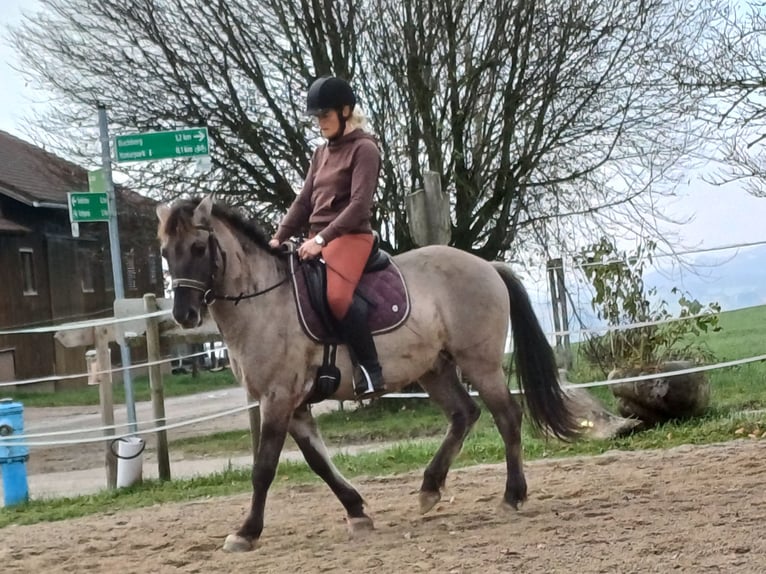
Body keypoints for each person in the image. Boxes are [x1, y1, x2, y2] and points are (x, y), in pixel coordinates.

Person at [268, 76, 385, 398]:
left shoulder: (365, 149)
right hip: (316, 237)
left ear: (346, 111)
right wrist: (279, 238)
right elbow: (304, 201)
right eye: (317, 118)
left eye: (325, 116)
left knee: (336, 297)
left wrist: (322, 240)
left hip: (351, 235)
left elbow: (360, 205)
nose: (320, 123)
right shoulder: (320, 153)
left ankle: (370, 369)